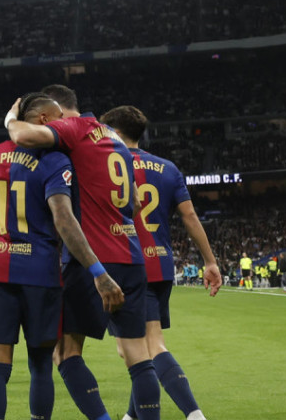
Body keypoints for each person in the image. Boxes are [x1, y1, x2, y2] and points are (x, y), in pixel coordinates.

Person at [0, 93, 123, 420]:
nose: (63, 127)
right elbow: (64, 220)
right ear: (41, 120)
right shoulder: (55, 161)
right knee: (41, 367)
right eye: (58, 120)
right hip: (41, 275)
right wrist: (97, 270)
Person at [5, 84, 161, 420]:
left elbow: (23, 137)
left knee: (65, 351)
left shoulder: (74, 128)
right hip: (132, 256)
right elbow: (134, 203)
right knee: (138, 355)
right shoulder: (113, 138)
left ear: (59, 109)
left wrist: (11, 119)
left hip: (91, 260)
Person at [101, 105, 222, 420]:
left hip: (126, 264)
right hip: (161, 263)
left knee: (147, 347)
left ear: (113, 131)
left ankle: (195, 415)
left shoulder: (106, 165)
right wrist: (209, 261)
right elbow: (189, 216)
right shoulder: (168, 168)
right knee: (143, 345)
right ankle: (131, 415)